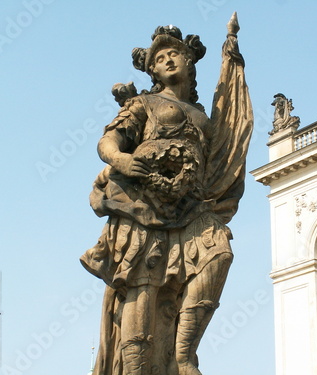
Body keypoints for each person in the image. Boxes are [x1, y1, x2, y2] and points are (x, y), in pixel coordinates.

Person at [80, 13, 253, 375]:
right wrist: (121, 161)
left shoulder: (204, 118)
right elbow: (109, 141)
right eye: (159, 58)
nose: (168, 60)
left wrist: (231, 56)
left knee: (219, 251)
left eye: (174, 54)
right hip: (144, 208)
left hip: (191, 209)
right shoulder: (143, 104)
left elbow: (220, 150)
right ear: (153, 71)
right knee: (143, 288)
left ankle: (184, 353)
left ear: (189, 61)